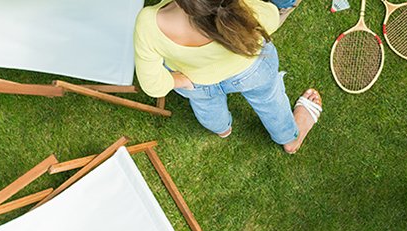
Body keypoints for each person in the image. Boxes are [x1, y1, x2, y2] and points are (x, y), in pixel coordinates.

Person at [133, 0, 321, 154]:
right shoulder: (244, 6)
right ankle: (288, 139)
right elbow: (271, 18)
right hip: (252, 71)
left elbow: (153, 86)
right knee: (270, 101)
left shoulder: (148, 22)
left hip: (197, 82)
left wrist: (184, 81)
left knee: (207, 108)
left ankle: (222, 129)